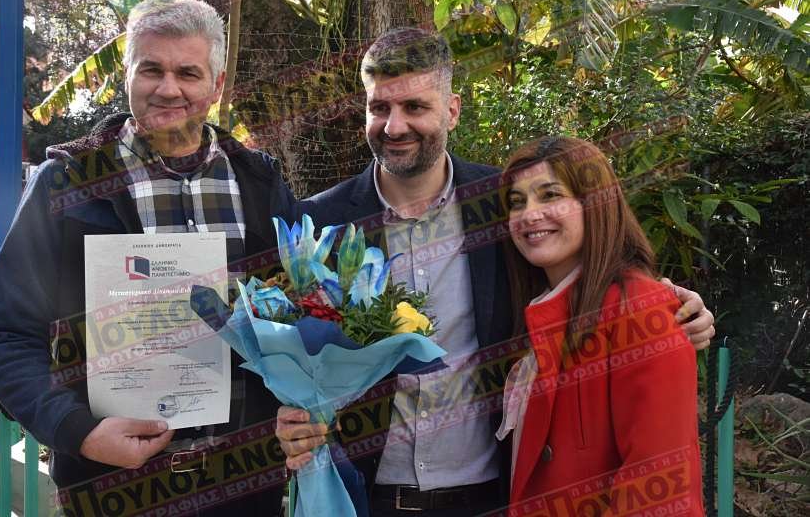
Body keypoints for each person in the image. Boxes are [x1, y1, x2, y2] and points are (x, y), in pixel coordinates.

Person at [275, 27, 715, 515]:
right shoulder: (320, 223)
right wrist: (289, 421)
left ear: (452, 110)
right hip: (364, 496)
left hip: (494, 495)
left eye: (415, 107)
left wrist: (671, 305)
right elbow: (290, 351)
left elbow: (589, 267)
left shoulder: (503, 205)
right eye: (380, 107)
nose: (395, 126)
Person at [0, 0, 295, 517]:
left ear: (216, 85)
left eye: (188, 73)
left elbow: (300, 320)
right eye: (151, 69)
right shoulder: (67, 183)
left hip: (243, 486)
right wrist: (78, 431)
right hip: (111, 489)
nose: (168, 88)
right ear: (126, 75)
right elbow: (5, 335)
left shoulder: (259, 183)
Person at [499, 136, 704, 514]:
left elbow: (657, 487)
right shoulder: (536, 309)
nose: (529, 214)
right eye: (517, 201)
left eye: (550, 195)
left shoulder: (640, 308)